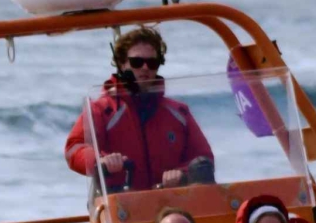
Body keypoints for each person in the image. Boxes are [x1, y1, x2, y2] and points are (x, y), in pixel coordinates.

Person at [64, 26, 214, 193]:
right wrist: (101, 161)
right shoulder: (100, 110)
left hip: (172, 205)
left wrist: (182, 173)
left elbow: (204, 159)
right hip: (120, 208)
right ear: (122, 64)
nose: (145, 68)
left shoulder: (179, 112)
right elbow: (74, 149)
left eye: (152, 63)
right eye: (137, 62)